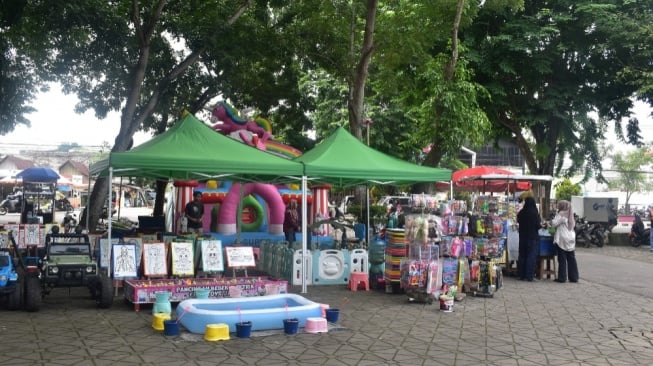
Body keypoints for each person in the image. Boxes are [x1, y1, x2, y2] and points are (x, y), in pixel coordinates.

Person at [551, 200, 579, 283]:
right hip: (571, 237)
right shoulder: (570, 215)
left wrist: (550, 222)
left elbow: (554, 224)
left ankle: (562, 277)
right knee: (571, 258)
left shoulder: (561, 214)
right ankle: (574, 277)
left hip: (563, 239)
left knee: (562, 258)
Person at [517, 196, 541, 281]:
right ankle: (529, 276)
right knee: (531, 256)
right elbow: (538, 226)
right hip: (532, 237)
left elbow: (518, 221)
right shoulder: (534, 213)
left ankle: (521, 274)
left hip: (522, 237)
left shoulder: (521, 212)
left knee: (522, 255)